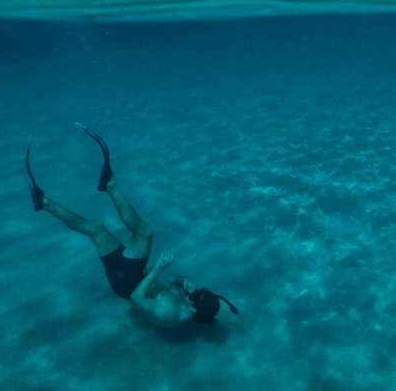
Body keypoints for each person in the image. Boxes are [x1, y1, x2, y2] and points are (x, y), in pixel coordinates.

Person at [25, 123, 238, 328]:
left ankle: (109, 185)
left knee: (144, 232)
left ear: (193, 309)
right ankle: (43, 203)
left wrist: (157, 270)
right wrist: (185, 280)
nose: (193, 293)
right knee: (96, 228)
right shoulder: (190, 299)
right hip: (135, 275)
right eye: (199, 291)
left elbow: (137, 299)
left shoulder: (170, 316)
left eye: (195, 295)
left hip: (127, 284)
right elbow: (171, 282)